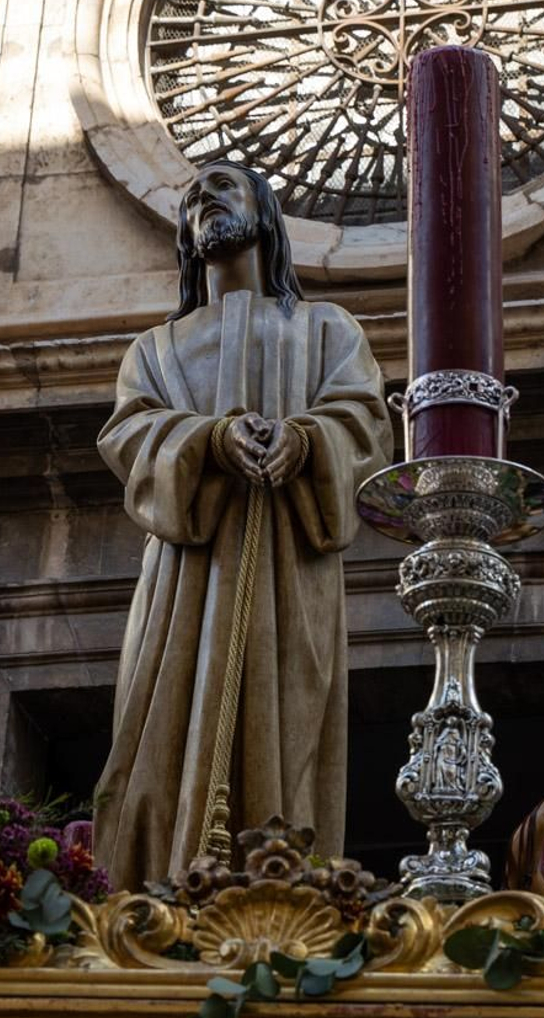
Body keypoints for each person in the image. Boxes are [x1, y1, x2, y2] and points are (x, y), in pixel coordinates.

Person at [92, 160, 393, 889]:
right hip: (183, 581)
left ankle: (282, 889)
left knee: (288, 731)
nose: (202, 200)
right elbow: (128, 434)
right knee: (158, 730)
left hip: (291, 572)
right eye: (192, 196)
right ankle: (156, 888)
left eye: (221, 187)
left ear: (265, 213)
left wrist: (307, 439)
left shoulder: (327, 330)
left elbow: (364, 422)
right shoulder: (154, 351)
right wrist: (209, 442)